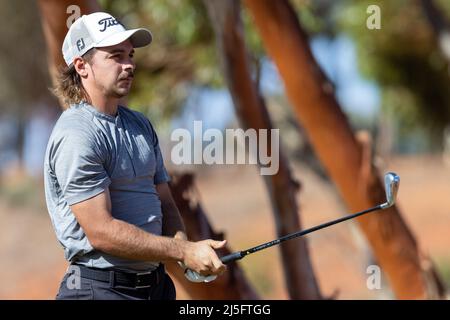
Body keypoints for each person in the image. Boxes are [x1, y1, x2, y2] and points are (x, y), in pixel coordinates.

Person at [44, 12, 226, 300]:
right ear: (82, 66)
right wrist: (183, 250)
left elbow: (164, 202)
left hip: (157, 287)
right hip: (100, 290)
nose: (129, 65)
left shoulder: (139, 124)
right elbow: (101, 231)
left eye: (130, 54)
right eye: (116, 56)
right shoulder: (77, 133)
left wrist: (184, 252)